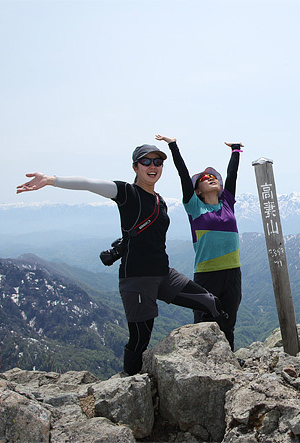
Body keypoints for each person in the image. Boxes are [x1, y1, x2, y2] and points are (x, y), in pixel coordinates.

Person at [16, 143, 228, 375]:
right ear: (135, 167)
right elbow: (88, 184)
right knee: (140, 340)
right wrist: (50, 179)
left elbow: (145, 237)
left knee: (211, 303)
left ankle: (218, 357)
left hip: (164, 274)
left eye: (158, 162)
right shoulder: (126, 192)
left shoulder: (160, 201)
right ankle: (132, 386)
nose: (153, 166)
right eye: (146, 161)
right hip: (137, 279)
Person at [155, 135, 242, 351]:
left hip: (233, 273)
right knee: (205, 321)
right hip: (207, 274)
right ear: (197, 191)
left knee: (228, 322)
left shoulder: (228, 203)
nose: (211, 177)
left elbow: (232, 175)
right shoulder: (194, 207)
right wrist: (173, 145)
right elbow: (183, 175)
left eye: (214, 176)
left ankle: (229, 361)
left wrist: (236, 150)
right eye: (205, 178)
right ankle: (201, 362)